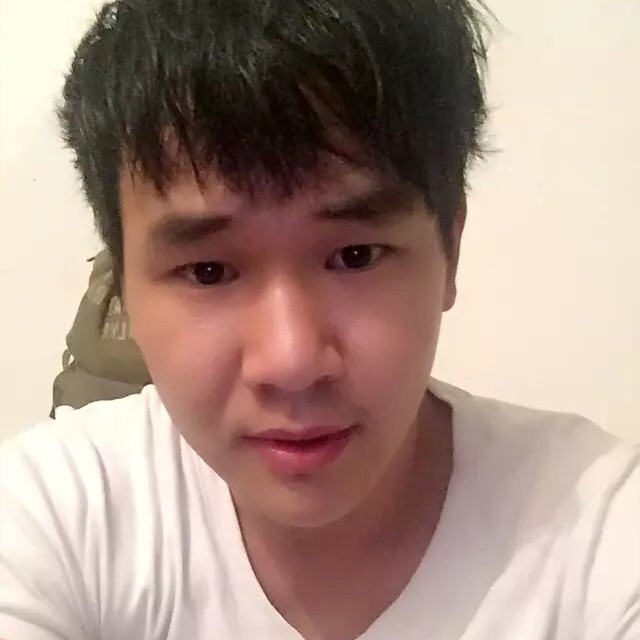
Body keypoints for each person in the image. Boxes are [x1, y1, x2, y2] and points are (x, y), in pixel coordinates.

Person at [0, 0, 638, 638]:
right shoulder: (53, 515)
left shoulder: (597, 528)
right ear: (124, 286)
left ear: (451, 249)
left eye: (355, 256)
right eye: (209, 271)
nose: (292, 360)